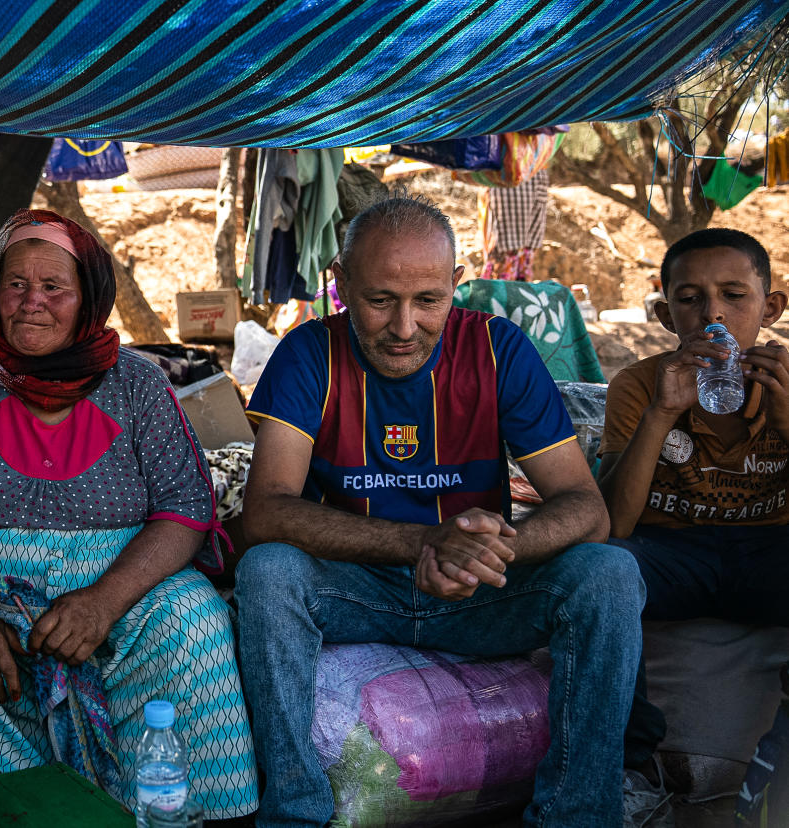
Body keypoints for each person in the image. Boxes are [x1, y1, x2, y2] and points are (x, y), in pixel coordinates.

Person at [236, 195, 645, 828]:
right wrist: (424, 543)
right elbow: (264, 512)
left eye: (428, 300)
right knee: (269, 571)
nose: (404, 327)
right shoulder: (308, 353)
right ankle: (295, 813)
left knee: (609, 573)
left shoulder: (497, 349)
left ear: (456, 285)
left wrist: (487, 551)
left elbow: (586, 509)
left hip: (481, 590)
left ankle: (577, 815)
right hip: (359, 587)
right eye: (379, 301)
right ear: (340, 284)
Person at [0, 208, 258, 819]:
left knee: (194, 619)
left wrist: (103, 602)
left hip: (123, 605)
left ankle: (182, 812)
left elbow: (186, 510)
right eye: (15, 283)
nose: (31, 302)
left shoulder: (137, 383)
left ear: (88, 298)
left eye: (54, 286)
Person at [597, 228, 789, 827]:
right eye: (690, 298)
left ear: (772, 306)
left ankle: (778, 759)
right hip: (673, 549)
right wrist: (662, 410)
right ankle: (633, 767)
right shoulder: (639, 383)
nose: (714, 315)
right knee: (597, 571)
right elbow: (614, 524)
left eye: (735, 295)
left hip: (770, 550)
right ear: (663, 312)